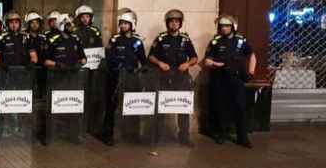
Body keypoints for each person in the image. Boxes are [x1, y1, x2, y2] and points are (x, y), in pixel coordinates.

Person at [204, 14, 256, 148]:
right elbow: (207, 60)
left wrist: (251, 71)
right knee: (221, 107)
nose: (224, 28)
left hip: (236, 78)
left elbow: (252, 55)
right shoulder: (215, 41)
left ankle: (242, 137)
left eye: (227, 26)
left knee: (240, 107)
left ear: (232, 27)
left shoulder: (241, 40)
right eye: (222, 26)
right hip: (219, 78)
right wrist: (214, 64)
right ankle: (222, 134)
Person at [148, 9, 198, 145]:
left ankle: (184, 137)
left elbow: (195, 57)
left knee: (183, 108)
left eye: (177, 22)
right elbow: (150, 56)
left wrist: (187, 64)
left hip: (181, 78)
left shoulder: (185, 39)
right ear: (167, 23)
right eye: (171, 22)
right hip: (164, 77)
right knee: (160, 108)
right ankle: (157, 137)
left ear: (180, 24)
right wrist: (160, 63)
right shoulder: (160, 38)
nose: (174, 24)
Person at [101, 8, 147, 146]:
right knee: (112, 106)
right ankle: (107, 135)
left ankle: (133, 134)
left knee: (133, 106)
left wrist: (143, 69)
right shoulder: (114, 39)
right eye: (121, 23)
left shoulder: (138, 41)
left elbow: (143, 60)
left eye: (126, 23)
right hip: (116, 78)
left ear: (132, 24)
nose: (122, 26)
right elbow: (109, 57)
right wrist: (119, 66)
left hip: (132, 78)